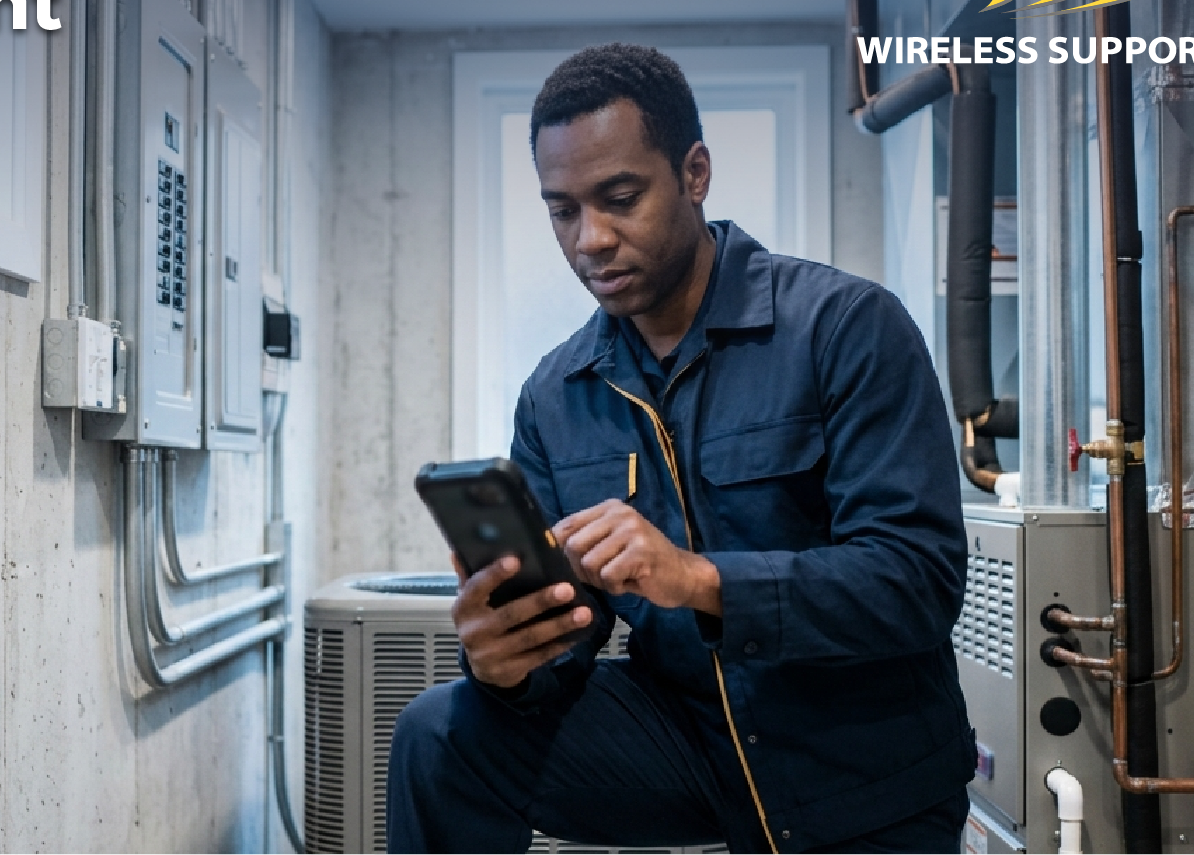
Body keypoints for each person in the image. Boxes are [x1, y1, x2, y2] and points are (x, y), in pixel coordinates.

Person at [387, 44, 974, 855]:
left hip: (861, 763)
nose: (590, 239)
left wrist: (700, 580)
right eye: (562, 211)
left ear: (694, 173)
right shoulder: (556, 395)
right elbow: (570, 638)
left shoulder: (845, 328)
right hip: (686, 743)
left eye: (620, 198)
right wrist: (507, 662)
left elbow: (917, 580)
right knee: (441, 730)